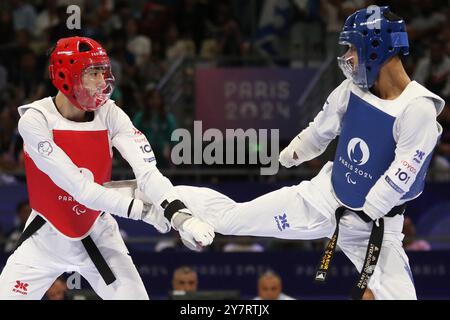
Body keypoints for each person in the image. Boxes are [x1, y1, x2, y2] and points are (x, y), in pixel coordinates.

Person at [108, 6, 444, 300]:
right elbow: (321, 130)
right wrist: (292, 153)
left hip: (374, 228)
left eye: (351, 48)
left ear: (376, 48)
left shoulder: (418, 110)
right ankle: (155, 197)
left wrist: (365, 213)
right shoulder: (353, 89)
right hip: (322, 199)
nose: (347, 58)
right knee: (233, 219)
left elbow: (402, 175)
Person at [0, 36, 214, 300]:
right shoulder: (35, 120)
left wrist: (180, 216)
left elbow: (148, 174)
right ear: (66, 75)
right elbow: (81, 190)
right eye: (93, 73)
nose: (102, 82)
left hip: (98, 235)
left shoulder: (111, 114)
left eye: (104, 72)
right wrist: (146, 211)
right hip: (44, 238)